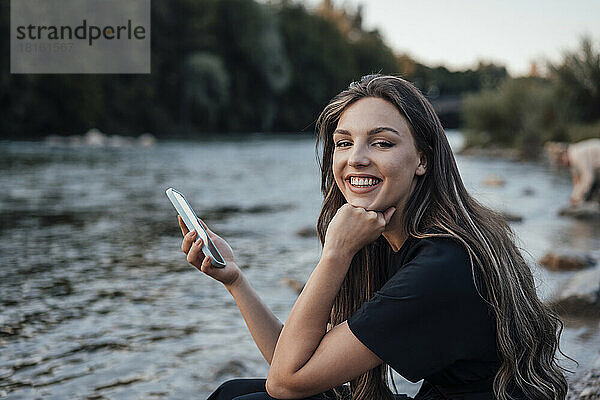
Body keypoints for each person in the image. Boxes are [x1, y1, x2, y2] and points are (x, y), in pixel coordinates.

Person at [178, 75, 569, 400]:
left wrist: (335, 253)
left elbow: (286, 381)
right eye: (344, 142)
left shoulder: (441, 266)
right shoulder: (400, 238)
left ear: (422, 159)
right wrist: (237, 281)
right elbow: (295, 361)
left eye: (381, 142)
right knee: (235, 391)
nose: (356, 158)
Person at [544, 139, 600, 205]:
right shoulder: (573, 154)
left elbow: (588, 178)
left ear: (563, 155)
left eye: (561, 162)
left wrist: (576, 196)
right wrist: (575, 196)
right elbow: (576, 181)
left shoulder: (577, 156)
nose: (563, 166)